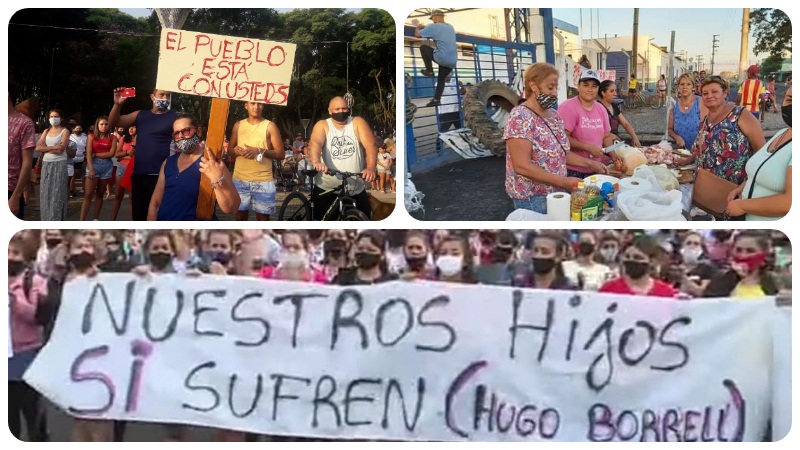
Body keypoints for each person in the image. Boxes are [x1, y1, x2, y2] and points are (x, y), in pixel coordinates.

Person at [502, 63, 598, 213]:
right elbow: (521, 165)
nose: (554, 93)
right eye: (550, 87)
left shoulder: (554, 116)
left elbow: (562, 154)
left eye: (556, 88)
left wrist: (591, 163)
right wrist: (564, 182)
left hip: (557, 191)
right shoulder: (520, 116)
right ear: (533, 86)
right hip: (533, 197)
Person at [675, 77, 766, 185]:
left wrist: (749, 182)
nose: (709, 96)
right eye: (705, 93)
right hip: (705, 185)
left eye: (714, 92)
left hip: (733, 188)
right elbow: (703, 149)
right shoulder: (704, 121)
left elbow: (762, 152)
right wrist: (686, 161)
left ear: (725, 93)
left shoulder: (740, 114)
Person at [148, 114, 240, 220]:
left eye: (186, 130)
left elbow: (232, 208)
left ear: (199, 131)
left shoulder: (212, 163)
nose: (181, 136)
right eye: (176, 133)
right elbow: (155, 204)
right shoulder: (168, 162)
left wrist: (217, 179)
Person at [109, 88, 179, 220]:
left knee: (160, 216)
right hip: (139, 174)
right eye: (161, 95)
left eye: (168, 96)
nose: (165, 98)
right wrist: (117, 105)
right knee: (139, 216)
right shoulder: (140, 115)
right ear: (152, 97)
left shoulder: (175, 117)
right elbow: (114, 122)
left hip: (162, 175)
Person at [726, 84, 792, 220]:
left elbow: (790, 202)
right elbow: (761, 167)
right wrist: (742, 188)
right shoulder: (782, 133)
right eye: (790, 99)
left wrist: (742, 206)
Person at [308, 96, 378, 220]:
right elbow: (315, 144)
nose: (341, 111)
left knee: (365, 219)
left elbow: (370, 145)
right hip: (327, 187)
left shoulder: (357, 122)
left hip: (355, 186)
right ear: (330, 111)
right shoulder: (323, 125)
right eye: (337, 109)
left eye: (344, 108)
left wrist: (371, 168)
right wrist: (317, 162)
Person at [8, 234, 49, 441]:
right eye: (6, 252)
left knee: (32, 409)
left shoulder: (35, 281)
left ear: (25, 256)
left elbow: (32, 316)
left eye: (15, 253)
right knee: (9, 412)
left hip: (26, 353)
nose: (9, 257)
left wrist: (13, 293)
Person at [558, 69, 622, 178]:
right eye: (586, 85)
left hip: (596, 167)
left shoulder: (600, 108)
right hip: (573, 169)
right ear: (578, 86)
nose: (590, 90)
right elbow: (561, 138)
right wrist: (587, 147)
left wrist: (613, 155)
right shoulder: (568, 107)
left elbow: (606, 136)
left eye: (594, 86)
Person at [228, 101, 284, 221]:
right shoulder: (238, 125)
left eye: (259, 104)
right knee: (240, 217)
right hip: (240, 180)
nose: (256, 107)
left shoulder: (270, 126)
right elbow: (230, 151)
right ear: (246, 105)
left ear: (263, 106)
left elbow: (281, 154)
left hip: (263, 180)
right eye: (252, 103)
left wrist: (260, 151)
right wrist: (236, 151)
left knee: (263, 219)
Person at [703, 231, 779, 299]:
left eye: (750, 251)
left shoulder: (775, 281)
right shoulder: (721, 279)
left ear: (764, 255)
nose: (743, 255)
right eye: (739, 250)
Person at [599, 235, 678, 298]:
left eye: (637, 257)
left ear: (652, 261)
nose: (631, 260)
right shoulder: (609, 289)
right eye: (627, 256)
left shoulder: (665, 292)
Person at [415, 9, 457, 107]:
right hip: (452, 60)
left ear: (435, 17)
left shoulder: (433, 27)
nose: (432, 20)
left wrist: (418, 27)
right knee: (441, 79)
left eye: (433, 18)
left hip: (442, 57)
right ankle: (436, 99)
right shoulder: (450, 27)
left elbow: (417, 35)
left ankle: (429, 70)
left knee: (423, 48)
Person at [79, 116, 117, 220]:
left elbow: (111, 154)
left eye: (106, 124)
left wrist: (96, 155)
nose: (104, 126)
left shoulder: (113, 138)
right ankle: (82, 220)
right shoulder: (91, 136)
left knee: (100, 193)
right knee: (88, 194)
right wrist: (91, 169)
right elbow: (88, 153)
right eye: (102, 124)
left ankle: (95, 218)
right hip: (93, 165)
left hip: (106, 166)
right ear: (97, 125)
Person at [35, 109, 70, 221]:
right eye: (51, 116)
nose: (53, 118)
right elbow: (37, 147)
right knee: (45, 192)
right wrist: (53, 147)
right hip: (46, 164)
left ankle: (57, 219)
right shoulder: (46, 131)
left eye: (56, 116)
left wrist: (45, 149)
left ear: (61, 118)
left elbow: (61, 150)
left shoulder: (65, 131)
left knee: (57, 193)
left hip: (59, 164)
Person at [333, 230, 398, 285]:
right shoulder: (342, 279)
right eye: (360, 249)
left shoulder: (392, 281)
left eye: (371, 250)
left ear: (382, 255)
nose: (364, 252)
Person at [260, 230, 327, 283]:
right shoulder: (266, 274)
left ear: (306, 250)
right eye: (287, 247)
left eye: (296, 247)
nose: (291, 251)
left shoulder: (318, 278)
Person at [668, 73, 708, 150]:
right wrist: (677, 137)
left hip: (700, 149)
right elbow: (670, 129)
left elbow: (706, 128)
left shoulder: (700, 102)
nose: (685, 87)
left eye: (688, 84)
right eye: (682, 84)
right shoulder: (674, 105)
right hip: (682, 150)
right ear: (678, 87)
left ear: (693, 87)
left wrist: (697, 143)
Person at [598, 80, 641, 147]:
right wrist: (610, 135)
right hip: (602, 145)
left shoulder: (614, 106)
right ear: (603, 93)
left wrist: (634, 137)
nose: (615, 94)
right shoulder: (597, 108)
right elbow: (595, 130)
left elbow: (625, 124)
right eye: (611, 91)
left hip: (616, 143)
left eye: (615, 91)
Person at [112, 126, 135, 220]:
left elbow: (138, 156)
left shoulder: (141, 139)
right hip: (121, 168)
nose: (131, 129)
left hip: (134, 168)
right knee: (118, 195)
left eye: (134, 126)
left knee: (132, 198)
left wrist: (123, 155)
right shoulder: (124, 138)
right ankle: (112, 221)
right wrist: (128, 152)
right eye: (129, 127)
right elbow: (117, 154)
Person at [68, 121, 87, 197]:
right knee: (73, 175)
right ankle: (71, 189)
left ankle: (85, 189)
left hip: (82, 158)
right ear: (74, 129)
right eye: (77, 128)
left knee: (83, 174)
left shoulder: (85, 137)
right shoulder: (70, 136)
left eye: (80, 128)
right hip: (72, 158)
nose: (78, 130)